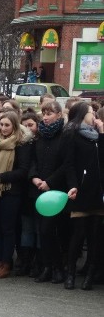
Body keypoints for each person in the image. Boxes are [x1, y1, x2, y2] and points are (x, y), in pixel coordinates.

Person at [0, 111, 34, 279]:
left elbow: (23, 171)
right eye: (1, 124)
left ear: (14, 126)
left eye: (7, 125)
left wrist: (1, 178)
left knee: (8, 229)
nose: (3, 128)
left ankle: (6, 262)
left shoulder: (21, 143)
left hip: (11, 192)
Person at [64, 102, 104, 289]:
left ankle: (90, 274)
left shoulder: (97, 136)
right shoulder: (73, 134)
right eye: (90, 112)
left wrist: (102, 134)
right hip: (81, 190)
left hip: (98, 192)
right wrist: (73, 185)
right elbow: (69, 164)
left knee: (94, 236)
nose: (93, 115)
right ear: (82, 115)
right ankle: (70, 272)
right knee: (77, 234)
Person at [29, 101, 71, 283]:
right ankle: (47, 266)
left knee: (56, 230)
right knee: (43, 231)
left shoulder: (65, 135)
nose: (45, 117)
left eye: (50, 113)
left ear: (59, 115)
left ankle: (59, 268)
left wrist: (50, 182)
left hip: (58, 191)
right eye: (44, 113)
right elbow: (33, 161)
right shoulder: (39, 136)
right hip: (39, 189)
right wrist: (35, 177)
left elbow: (67, 164)